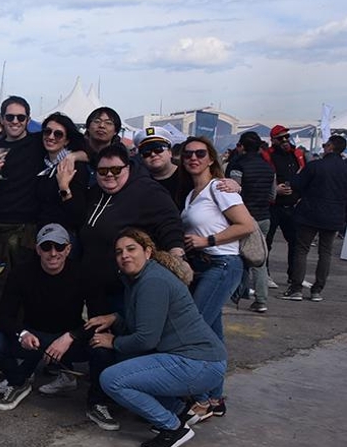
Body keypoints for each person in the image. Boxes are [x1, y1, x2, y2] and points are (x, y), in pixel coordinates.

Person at [89, 228, 227, 447]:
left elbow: (145, 339)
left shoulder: (152, 281)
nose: (125, 255)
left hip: (198, 363)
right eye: (119, 252)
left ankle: (172, 427)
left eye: (131, 249)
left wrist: (112, 341)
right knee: (127, 359)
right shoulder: (139, 279)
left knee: (112, 379)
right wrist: (115, 318)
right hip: (198, 361)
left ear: (148, 252)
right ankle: (181, 411)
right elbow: (142, 324)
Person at [61, 145, 185, 321]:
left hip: (128, 287)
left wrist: (177, 254)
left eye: (116, 169)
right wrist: (64, 186)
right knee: (100, 340)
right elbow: (78, 220)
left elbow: (169, 223)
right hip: (96, 287)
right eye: (103, 171)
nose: (109, 174)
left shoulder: (148, 190)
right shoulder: (96, 192)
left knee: (128, 337)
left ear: (128, 168)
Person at [0, 224, 100, 411]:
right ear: (38, 249)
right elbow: (4, 318)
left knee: (102, 346)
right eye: (47, 247)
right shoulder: (21, 273)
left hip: (68, 340)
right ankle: (18, 381)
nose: (53, 253)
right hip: (34, 338)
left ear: (68, 249)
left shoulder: (83, 273)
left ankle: (98, 402)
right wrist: (22, 334)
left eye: (59, 247)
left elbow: (98, 320)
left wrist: (72, 336)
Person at [178, 135, 254, 341]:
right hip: (202, 265)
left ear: (211, 159)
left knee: (193, 326)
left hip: (223, 264)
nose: (193, 158)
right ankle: (215, 369)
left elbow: (247, 225)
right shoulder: (192, 194)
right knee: (210, 326)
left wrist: (208, 240)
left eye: (200, 153)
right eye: (187, 154)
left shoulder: (219, 188)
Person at [0, 96, 44, 305]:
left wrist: (72, 158)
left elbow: (76, 144)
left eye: (20, 117)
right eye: (10, 117)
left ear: (28, 119)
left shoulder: (37, 143)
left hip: (28, 229)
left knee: (28, 287)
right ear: (2, 120)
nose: (15, 121)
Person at [282, 135, 347, 302]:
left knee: (301, 249)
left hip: (309, 214)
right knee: (325, 252)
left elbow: (296, 184)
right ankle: (317, 290)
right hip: (334, 215)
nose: (324, 147)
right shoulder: (345, 168)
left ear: (330, 147)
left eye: (326, 145)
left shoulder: (315, 166)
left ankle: (296, 288)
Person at [227, 132, 275, 313]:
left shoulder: (238, 165)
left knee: (236, 256)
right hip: (264, 217)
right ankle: (261, 300)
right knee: (259, 259)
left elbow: (232, 192)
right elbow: (272, 195)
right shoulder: (268, 167)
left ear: (242, 146)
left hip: (243, 217)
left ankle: (236, 293)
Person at [262, 125, 305, 287]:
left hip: (292, 205)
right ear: (273, 140)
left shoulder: (296, 155)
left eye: (287, 137)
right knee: (267, 242)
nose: (285, 141)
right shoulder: (267, 156)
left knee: (295, 242)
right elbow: (263, 177)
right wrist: (275, 190)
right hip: (273, 206)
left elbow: (303, 175)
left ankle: (294, 276)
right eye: (281, 138)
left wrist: (299, 193)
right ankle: (264, 275)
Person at [35, 112, 89, 229]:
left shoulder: (74, 166)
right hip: (42, 233)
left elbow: (78, 215)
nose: (51, 137)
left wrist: (64, 187)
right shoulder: (42, 164)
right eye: (47, 131)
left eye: (58, 134)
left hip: (64, 236)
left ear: (66, 141)